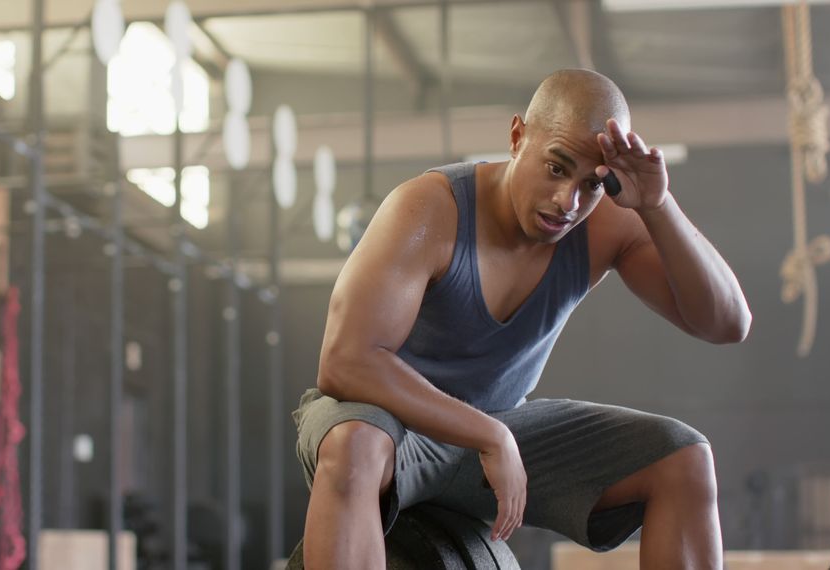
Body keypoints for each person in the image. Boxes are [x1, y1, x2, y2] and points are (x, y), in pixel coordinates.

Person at [291, 68, 752, 569]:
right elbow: (346, 362)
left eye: (592, 184)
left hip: (502, 425)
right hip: (393, 430)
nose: (567, 202)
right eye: (556, 168)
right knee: (352, 445)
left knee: (683, 459)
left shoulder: (605, 224)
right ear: (517, 137)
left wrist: (658, 207)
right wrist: (489, 435)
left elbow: (727, 324)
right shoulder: (427, 210)